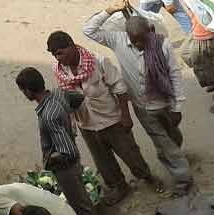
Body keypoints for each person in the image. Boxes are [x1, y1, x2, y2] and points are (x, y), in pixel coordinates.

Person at [15, 67, 119, 215]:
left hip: (66, 169)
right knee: (83, 208)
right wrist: (72, 125)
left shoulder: (49, 116)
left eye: (22, 90)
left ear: (27, 90)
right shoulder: (57, 94)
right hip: (73, 165)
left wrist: (51, 157)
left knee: (85, 213)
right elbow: (78, 98)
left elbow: (67, 151)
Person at [84, 6, 194, 197]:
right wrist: (110, 10)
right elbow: (89, 30)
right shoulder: (117, 41)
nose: (139, 44)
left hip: (166, 104)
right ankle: (184, 180)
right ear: (126, 36)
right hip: (143, 108)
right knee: (164, 144)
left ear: (150, 31)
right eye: (134, 41)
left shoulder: (163, 44)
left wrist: (177, 106)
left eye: (142, 39)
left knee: (173, 137)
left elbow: (174, 75)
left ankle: (176, 158)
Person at [47, 31, 158, 205]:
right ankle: (120, 187)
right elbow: (66, 97)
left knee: (130, 154)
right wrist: (71, 126)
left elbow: (119, 88)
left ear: (71, 44)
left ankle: (147, 177)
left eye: (60, 52)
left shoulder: (98, 61)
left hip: (111, 119)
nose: (58, 58)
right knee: (103, 162)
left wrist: (126, 116)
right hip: (86, 124)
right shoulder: (59, 70)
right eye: (54, 54)